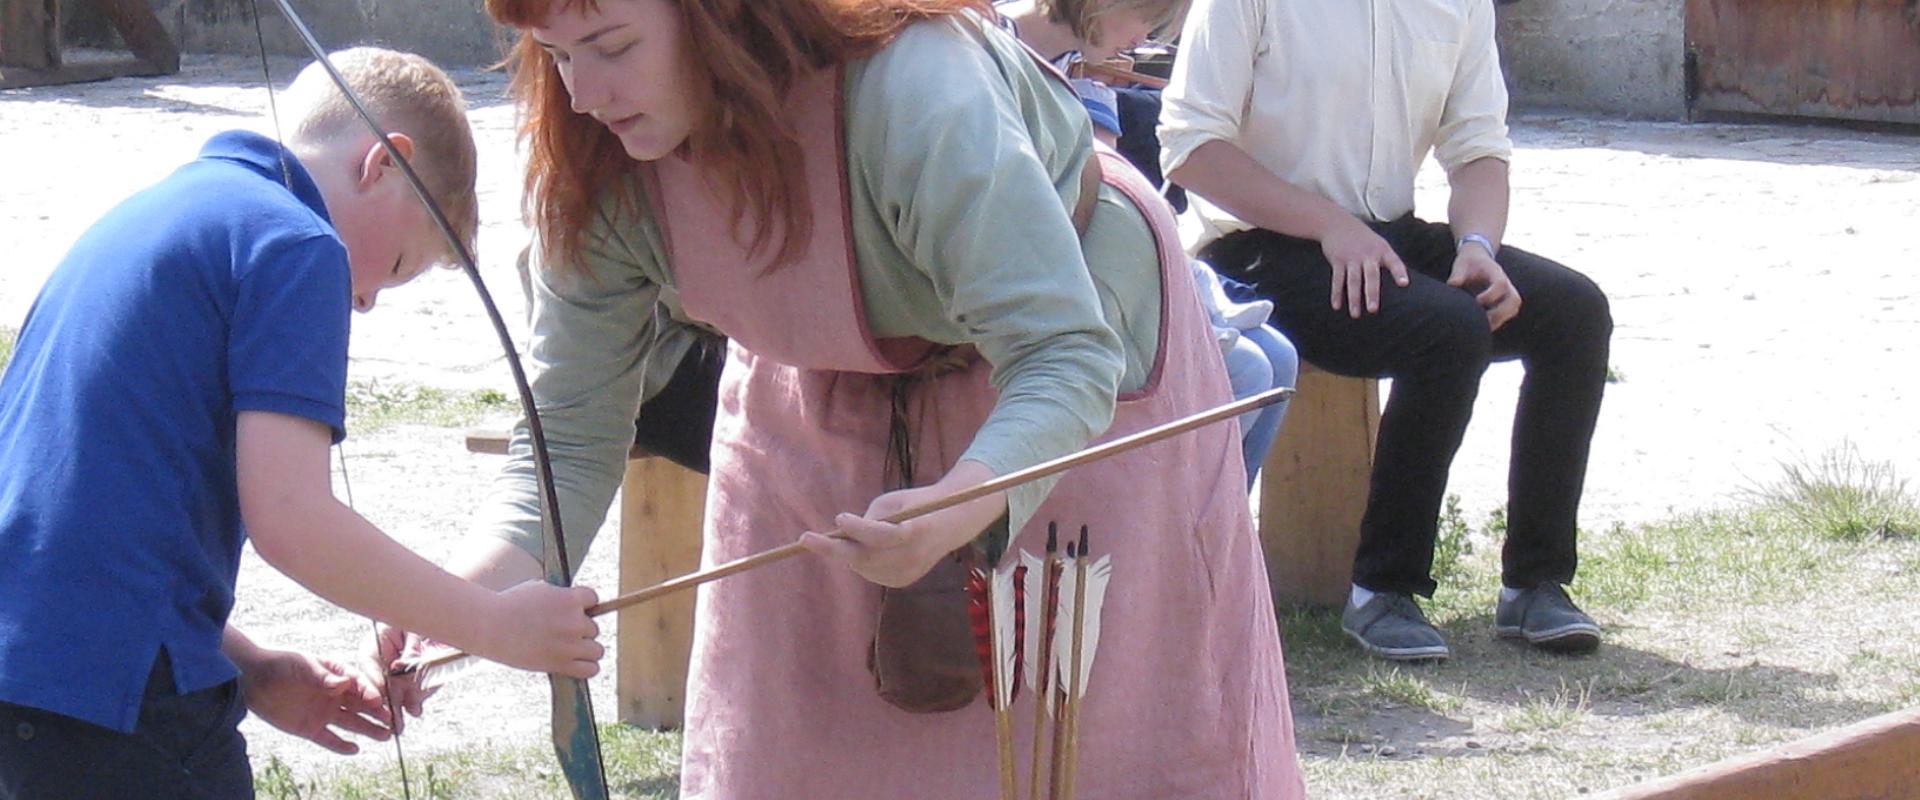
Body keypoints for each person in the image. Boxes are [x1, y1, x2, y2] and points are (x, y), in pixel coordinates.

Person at [397, 1, 1304, 796]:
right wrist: (456, 596)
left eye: (612, 44)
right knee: (796, 742)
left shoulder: (915, 89)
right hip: (813, 387)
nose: (584, 90)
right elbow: (567, 433)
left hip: (1057, 372)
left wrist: (963, 501)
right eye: (555, 54)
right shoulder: (593, 152)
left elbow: (1063, 353)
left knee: (1085, 738)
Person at [0, 48, 604, 798]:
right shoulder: (295, 243)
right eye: (398, 267)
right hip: (121, 701)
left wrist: (250, 667)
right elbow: (291, 519)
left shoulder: (146, 218)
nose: (367, 303)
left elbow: (72, 535)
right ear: (385, 164)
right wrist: (493, 625)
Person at [1160, 0, 1615, 661]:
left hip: (1383, 233)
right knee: (1449, 329)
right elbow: (1191, 149)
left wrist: (1479, 245)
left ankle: (1535, 583)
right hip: (1258, 247)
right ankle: (1383, 589)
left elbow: (1479, 149)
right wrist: (1327, 224)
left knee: (1574, 314)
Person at [997, 0, 1298, 487]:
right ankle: (1176, 542)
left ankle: (1207, 548)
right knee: (1245, 373)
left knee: (1278, 358)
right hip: (1030, 285)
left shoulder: (1081, 70)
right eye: (1149, 19)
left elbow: (1101, 194)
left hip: (1079, 265)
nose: (1145, 42)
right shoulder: (991, 48)